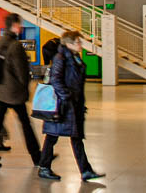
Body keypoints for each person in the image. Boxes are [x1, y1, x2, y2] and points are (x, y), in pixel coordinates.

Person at [37, 31, 104, 181]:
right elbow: (56, 80)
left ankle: (85, 170)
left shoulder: (74, 57)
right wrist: (66, 96)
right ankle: (44, 167)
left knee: (75, 136)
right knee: (53, 136)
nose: (80, 44)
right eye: (77, 42)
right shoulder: (61, 58)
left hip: (74, 104)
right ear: (68, 43)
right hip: (64, 105)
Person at [0, 13, 41, 169]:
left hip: (0, 90)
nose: (21, 27)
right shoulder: (16, 45)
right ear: (15, 25)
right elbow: (22, 73)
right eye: (19, 24)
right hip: (14, 93)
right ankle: (37, 157)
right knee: (26, 125)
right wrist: (26, 89)